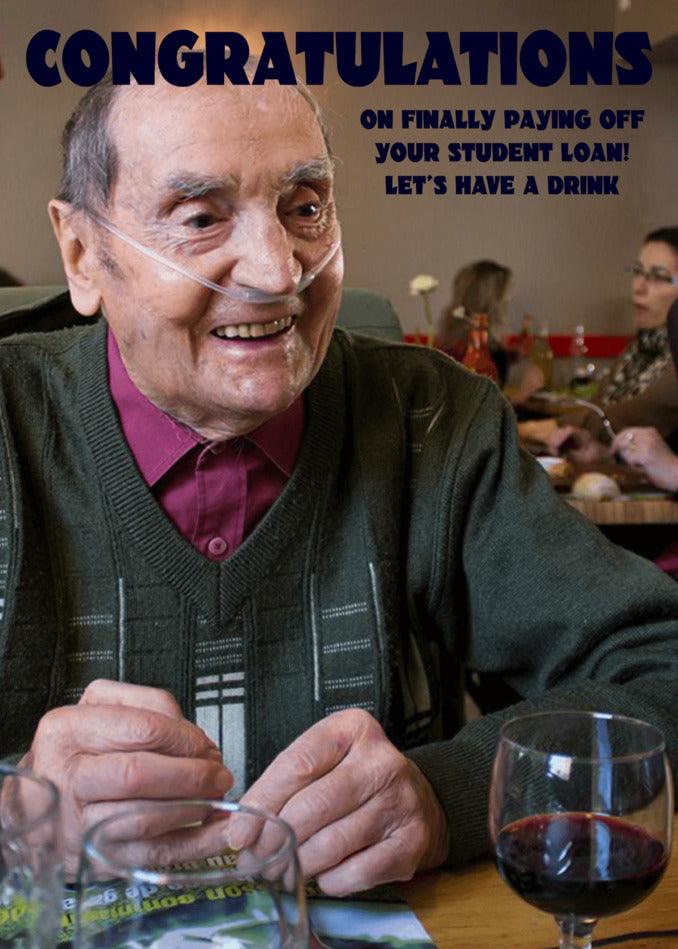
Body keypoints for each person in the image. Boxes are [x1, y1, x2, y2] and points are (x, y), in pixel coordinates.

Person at [2, 73, 678, 893]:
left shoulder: (435, 420)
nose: (276, 271)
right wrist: (15, 809)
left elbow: (661, 666)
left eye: (306, 206)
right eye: (201, 217)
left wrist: (448, 792)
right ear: (83, 254)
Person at [547, 227, 678, 463]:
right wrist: (600, 454)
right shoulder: (637, 350)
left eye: (658, 277)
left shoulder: (672, 355)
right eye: (638, 272)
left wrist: (527, 429)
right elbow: (597, 408)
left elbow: (618, 418)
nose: (639, 287)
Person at [437, 259, 512, 384]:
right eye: (504, 296)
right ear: (491, 304)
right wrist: (521, 395)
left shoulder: (447, 346)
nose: (508, 300)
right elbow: (481, 401)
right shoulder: (484, 356)